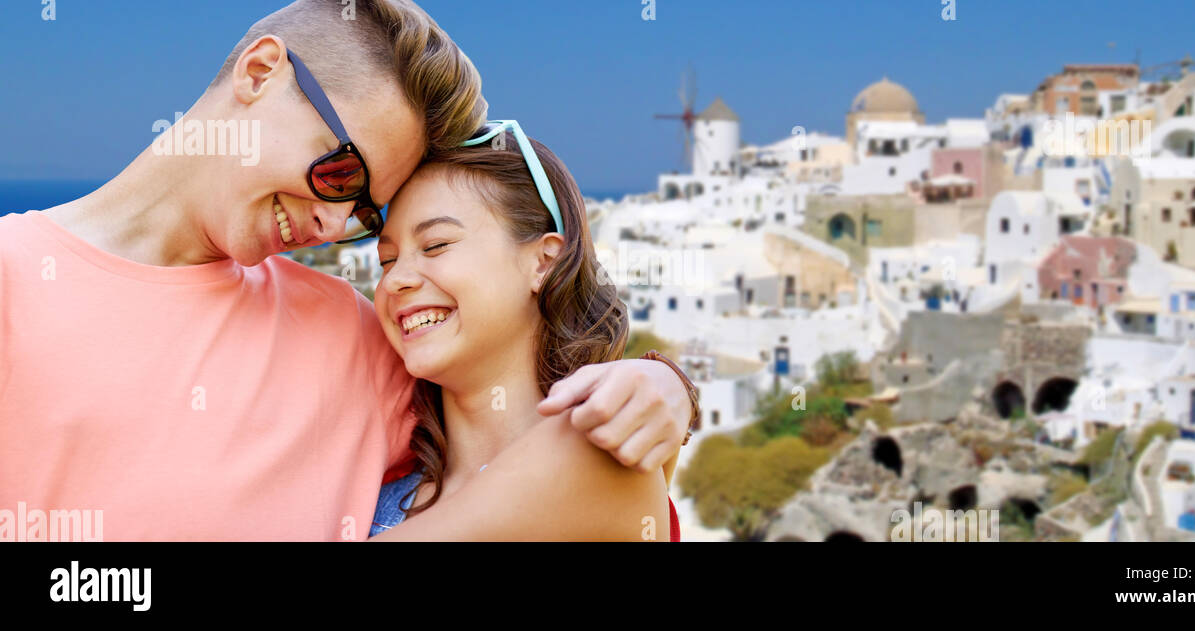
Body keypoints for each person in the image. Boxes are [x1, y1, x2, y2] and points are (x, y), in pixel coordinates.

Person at [0, 0, 693, 541]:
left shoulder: (355, 333)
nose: (332, 227)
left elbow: (510, 396)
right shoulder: (15, 281)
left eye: (362, 211)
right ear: (261, 72)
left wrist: (665, 385)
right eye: (340, 171)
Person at [368, 122, 680, 541]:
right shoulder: (377, 492)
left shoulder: (599, 453)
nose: (394, 281)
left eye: (436, 245)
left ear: (544, 262)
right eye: (386, 260)